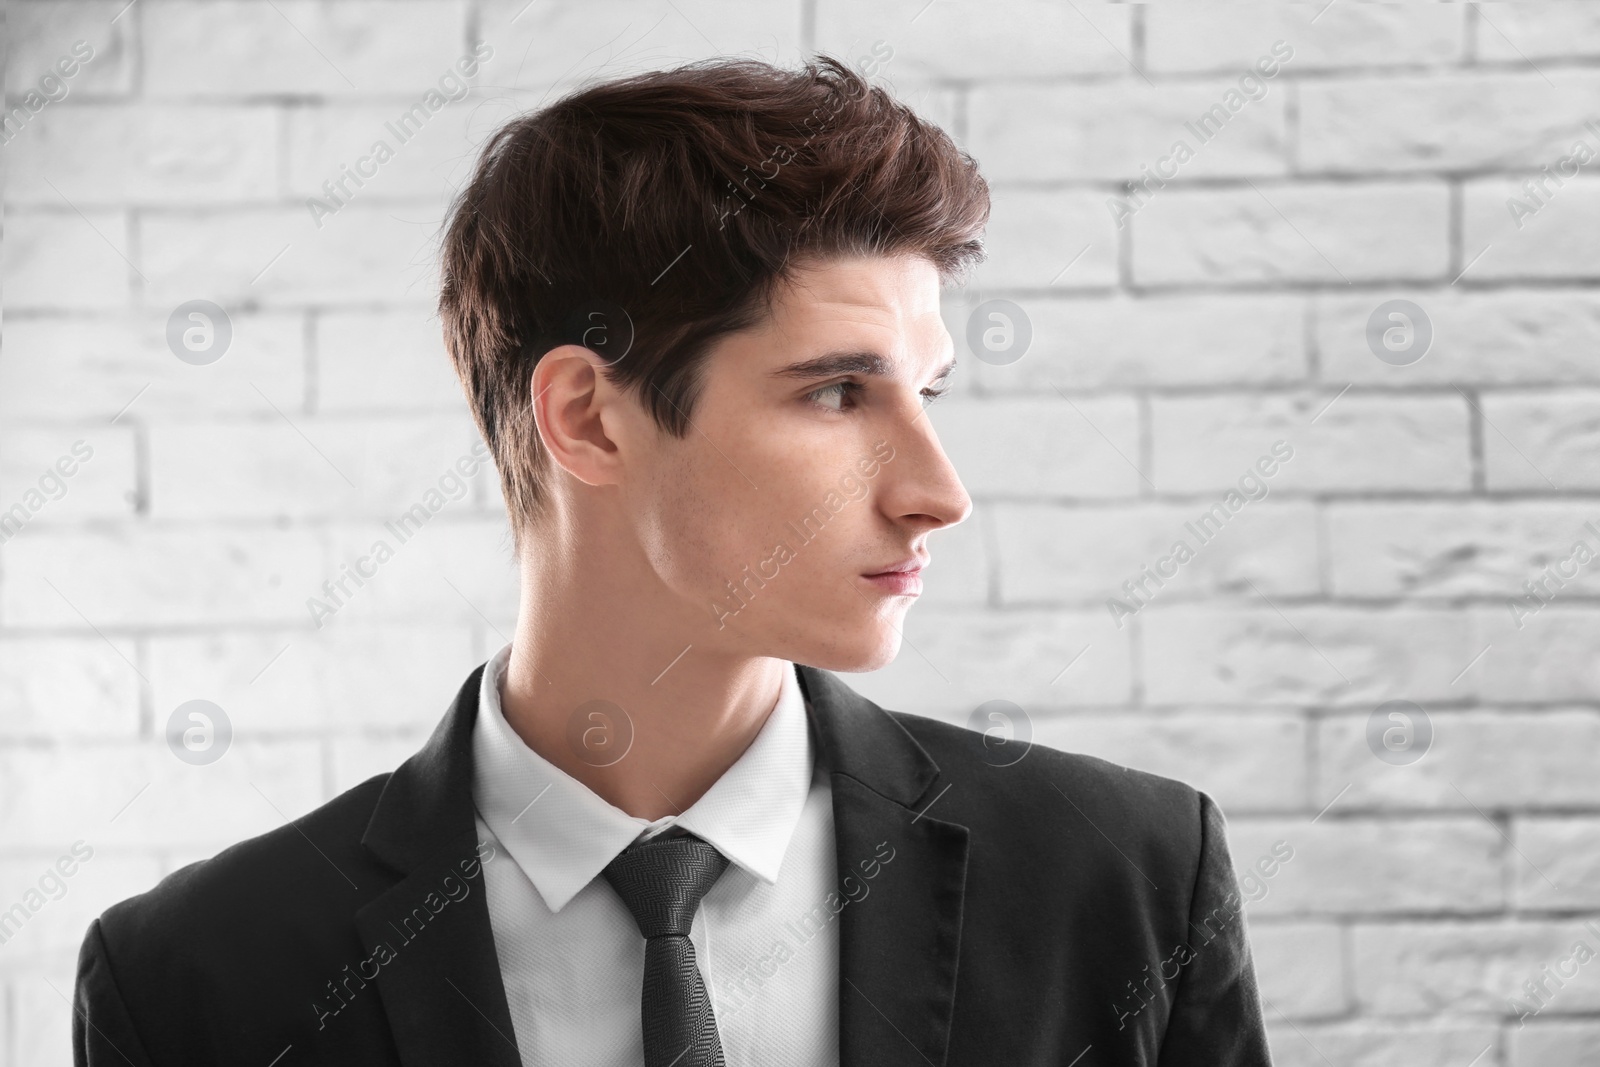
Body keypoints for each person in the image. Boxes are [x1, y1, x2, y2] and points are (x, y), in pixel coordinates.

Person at [72, 53, 1272, 1067]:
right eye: (839, 392)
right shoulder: (199, 979)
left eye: (930, 390)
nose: (938, 493)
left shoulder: (1124, 882)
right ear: (590, 417)